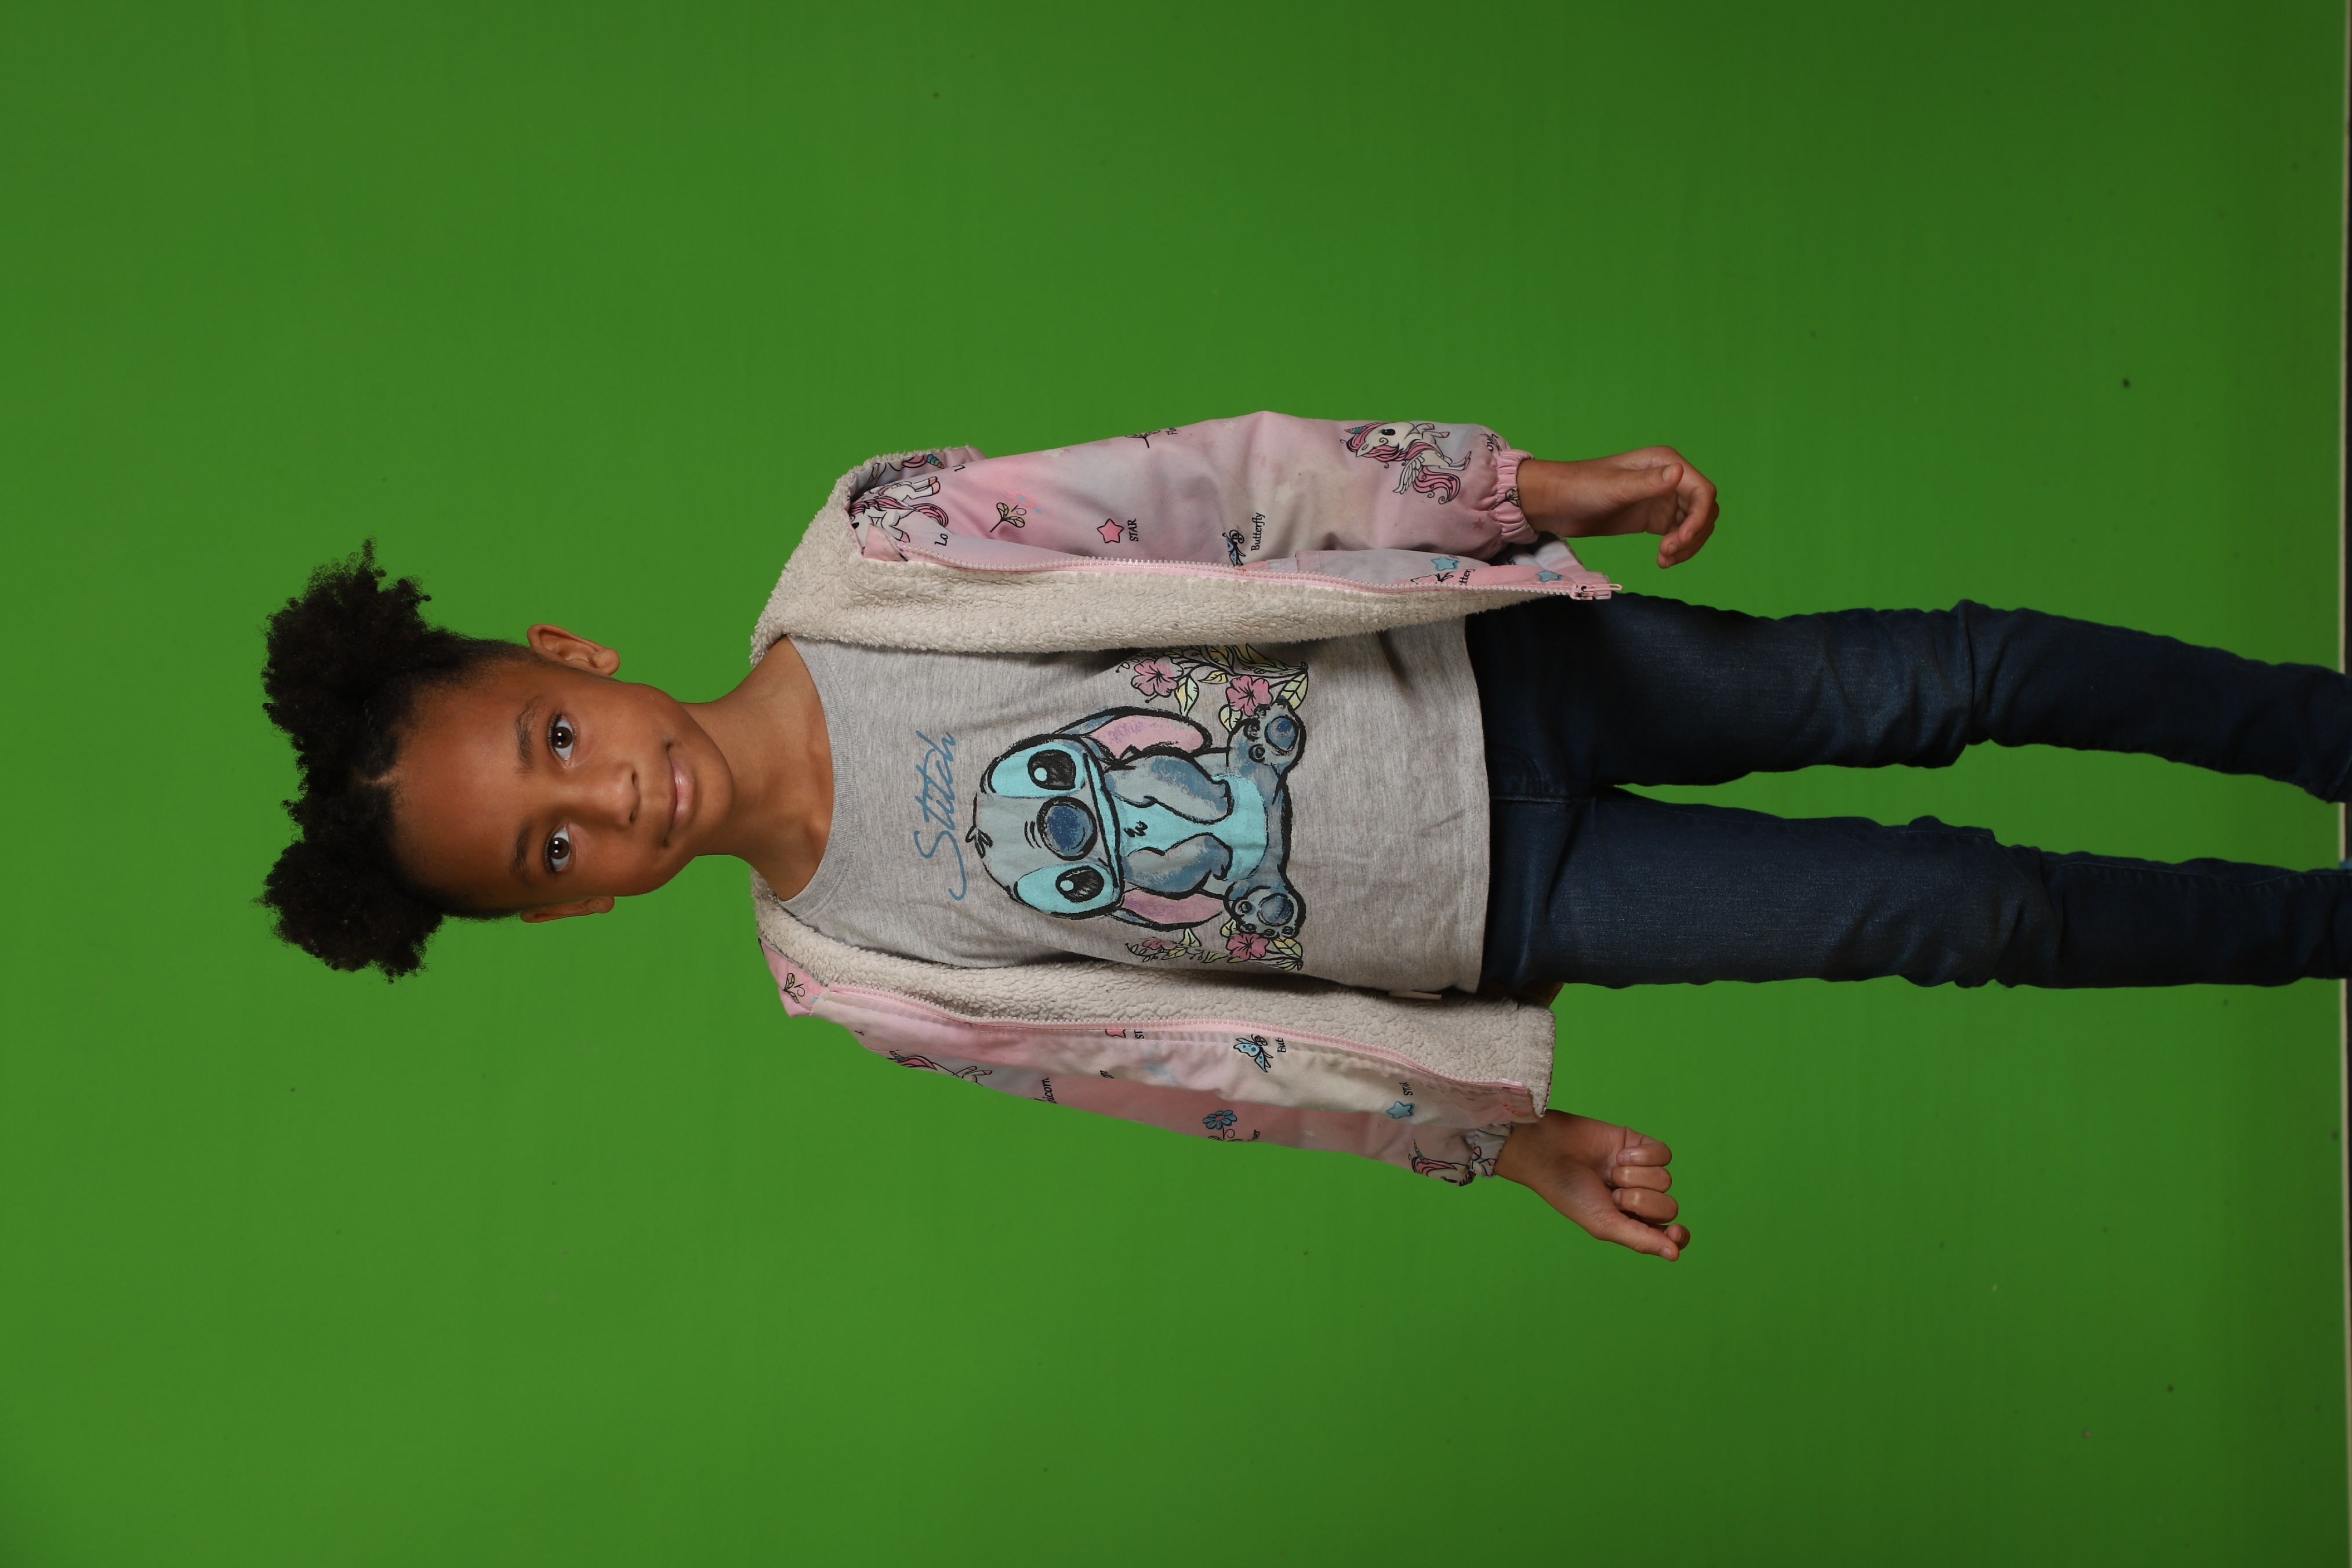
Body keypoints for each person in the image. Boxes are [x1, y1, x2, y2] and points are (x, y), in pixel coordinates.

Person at [258, 412, 2352, 1264]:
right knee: (1959, 910)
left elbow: (1220, 482)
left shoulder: (876, 552)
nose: (608, 798)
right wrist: (1496, 1142)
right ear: (570, 911)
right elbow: (1189, 1075)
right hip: (1510, 907)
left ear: (573, 654)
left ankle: (2323, 735)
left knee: (1932, 681)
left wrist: (1519, 488)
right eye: (551, 851)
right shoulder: (859, 978)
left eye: (554, 740)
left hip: (1507, 680)